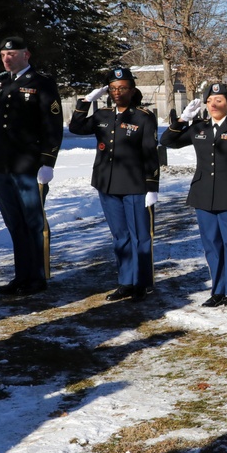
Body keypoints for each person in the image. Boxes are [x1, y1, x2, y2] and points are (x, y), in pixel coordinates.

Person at [0, 37, 63, 296]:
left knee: (33, 221)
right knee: (14, 223)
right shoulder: (2, 82)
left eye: (12, 54)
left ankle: (38, 278)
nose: (6, 58)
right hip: (2, 163)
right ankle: (22, 276)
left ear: (26, 55)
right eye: (3, 54)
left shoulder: (42, 83)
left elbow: (52, 126)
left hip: (29, 165)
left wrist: (48, 161)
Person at [160, 82, 227, 307]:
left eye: (219, 100)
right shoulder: (198, 128)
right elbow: (166, 142)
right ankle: (218, 290)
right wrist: (183, 120)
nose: (214, 104)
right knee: (212, 245)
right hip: (203, 195)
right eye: (210, 101)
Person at [69, 68, 159, 301]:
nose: (117, 92)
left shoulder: (143, 116)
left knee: (140, 235)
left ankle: (142, 283)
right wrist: (86, 101)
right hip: (106, 184)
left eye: (123, 88)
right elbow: (76, 127)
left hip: (135, 184)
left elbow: (150, 152)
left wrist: (152, 186)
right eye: (113, 88)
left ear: (132, 90)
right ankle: (125, 282)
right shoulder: (103, 115)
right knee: (119, 236)